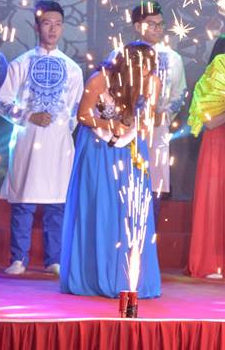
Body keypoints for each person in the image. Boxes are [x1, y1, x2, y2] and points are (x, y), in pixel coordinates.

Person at [60, 41, 161, 298]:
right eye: (142, 68)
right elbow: (83, 115)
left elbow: (148, 118)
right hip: (98, 149)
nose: (146, 73)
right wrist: (109, 125)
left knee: (131, 212)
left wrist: (135, 126)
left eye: (150, 68)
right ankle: (94, 276)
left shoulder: (152, 83)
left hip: (132, 151)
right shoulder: (100, 79)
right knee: (101, 206)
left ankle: (130, 278)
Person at [0, 1, 83, 277]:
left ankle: (53, 259)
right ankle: (18, 258)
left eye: (58, 24)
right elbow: (1, 101)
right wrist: (29, 116)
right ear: (37, 27)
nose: (53, 29)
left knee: (57, 201)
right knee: (23, 199)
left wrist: (60, 130)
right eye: (47, 23)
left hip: (59, 144)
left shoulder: (73, 69)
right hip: (27, 140)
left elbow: (76, 110)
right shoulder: (20, 64)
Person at [186, 34, 225, 280]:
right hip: (218, 146)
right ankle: (211, 262)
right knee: (215, 201)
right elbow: (209, 123)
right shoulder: (207, 83)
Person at [127, 1, 186, 198]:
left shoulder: (173, 58)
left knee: (153, 185)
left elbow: (179, 93)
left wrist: (165, 115)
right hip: (127, 129)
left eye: (160, 24)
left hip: (157, 129)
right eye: (152, 24)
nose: (158, 29)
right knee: (126, 183)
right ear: (137, 26)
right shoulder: (121, 55)